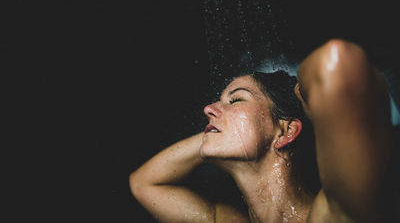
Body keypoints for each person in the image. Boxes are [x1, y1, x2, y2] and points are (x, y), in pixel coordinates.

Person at [129, 39, 400, 222]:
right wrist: (216, 131)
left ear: (286, 132)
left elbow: (338, 59)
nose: (208, 108)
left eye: (235, 99)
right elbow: (144, 183)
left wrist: (298, 88)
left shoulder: (333, 213)